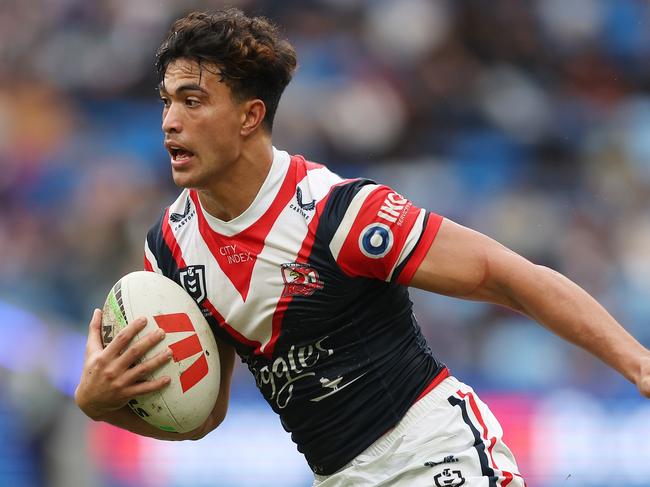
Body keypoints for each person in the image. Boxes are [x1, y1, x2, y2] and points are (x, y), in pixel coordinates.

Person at [75, 9, 650, 487]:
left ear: (251, 116)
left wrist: (639, 364)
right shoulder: (171, 249)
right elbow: (203, 415)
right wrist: (103, 405)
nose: (170, 122)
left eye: (193, 102)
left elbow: (509, 277)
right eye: (166, 101)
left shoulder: (340, 213)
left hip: (434, 456)